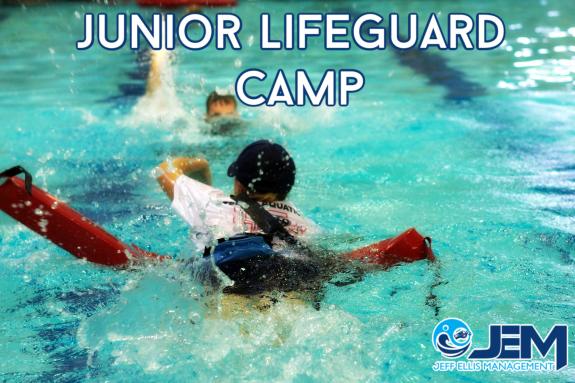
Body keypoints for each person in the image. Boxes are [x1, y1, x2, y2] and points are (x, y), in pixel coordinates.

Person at [156, 140, 316, 252]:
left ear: (239, 183)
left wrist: (200, 163)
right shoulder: (307, 227)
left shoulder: (214, 204)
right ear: (288, 187)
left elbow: (163, 170)